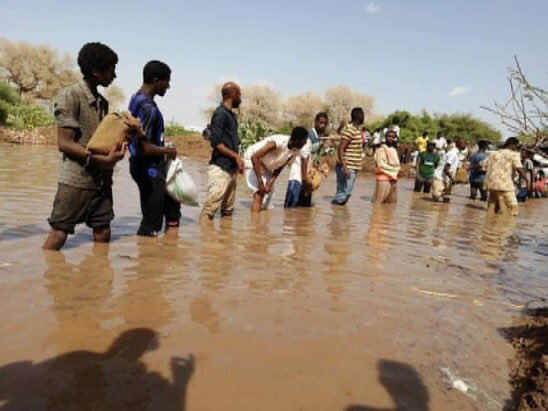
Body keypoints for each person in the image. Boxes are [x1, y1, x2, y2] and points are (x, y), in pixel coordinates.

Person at [43, 42, 125, 250]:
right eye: (111, 70)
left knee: (103, 232)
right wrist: (101, 160)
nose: (114, 76)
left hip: (101, 181)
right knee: (59, 234)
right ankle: (52, 279)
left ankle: (96, 280)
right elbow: (65, 143)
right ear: (96, 72)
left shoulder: (102, 103)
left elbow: (100, 141)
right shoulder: (70, 96)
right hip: (75, 181)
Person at [128, 61, 180, 237]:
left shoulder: (136, 99)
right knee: (151, 222)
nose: (169, 86)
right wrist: (168, 151)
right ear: (157, 81)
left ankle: (158, 254)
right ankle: (148, 258)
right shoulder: (148, 108)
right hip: (148, 168)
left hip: (141, 166)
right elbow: (144, 148)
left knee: (169, 207)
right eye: (167, 81)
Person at [200, 82, 244, 222]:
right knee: (209, 211)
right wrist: (236, 156)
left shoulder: (231, 115)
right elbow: (216, 143)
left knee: (228, 211)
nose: (241, 100)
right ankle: (207, 240)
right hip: (220, 168)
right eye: (239, 96)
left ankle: (224, 240)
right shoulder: (220, 114)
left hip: (230, 169)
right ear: (233, 95)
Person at [245, 127, 309, 212]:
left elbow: (279, 168)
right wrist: (260, 182)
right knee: (259, 194)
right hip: (253, 159)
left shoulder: (295, 151)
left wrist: (269, 184)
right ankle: (254, 224)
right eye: (304, 141)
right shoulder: (278, 142)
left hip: (267, 165)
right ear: (297, 140)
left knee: (268, 199)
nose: (305, 143)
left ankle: (260, 222)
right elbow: (255, 157)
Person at [284, 112, 328, 208]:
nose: (322, 125)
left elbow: (313, 154)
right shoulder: (310, 135)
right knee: (294, 202)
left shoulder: (317, 136)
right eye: (320, 123)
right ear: (315, 122)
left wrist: (316, 165)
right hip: (300, 170)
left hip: (308, 170)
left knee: (305, 201)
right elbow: (304, 156)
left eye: (325, 124)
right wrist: (304, 178)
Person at [485, 137, 528, 216]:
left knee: (492, 207)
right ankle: (507, 224)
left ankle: (490, 225)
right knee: (513, 207)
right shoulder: (514, 154)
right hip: (505, 184)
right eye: (516, 146)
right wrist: (527, 179)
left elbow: (484, 165)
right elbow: (519, 167)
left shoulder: (493, 153)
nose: (517, 148)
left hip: (491, 183)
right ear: (512, 145)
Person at [332, 108, 365, 205]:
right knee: (343, 194)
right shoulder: (350, 130)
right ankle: (337, 215)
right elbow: (341, 148)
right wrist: (345, 167)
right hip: (347, 166)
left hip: (352, 166)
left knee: (346, 193)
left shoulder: (356, 130)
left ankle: (338, 216)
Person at [431, 137, 466, 202]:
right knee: (436, 197)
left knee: (447, 199)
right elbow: (446, 169)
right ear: (457, 144)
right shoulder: (453, 153)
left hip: (447, 179)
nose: (465, 145)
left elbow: (454, 168)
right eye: (463, 143)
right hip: (439, 177)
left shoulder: (458, 153)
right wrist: (453, 179)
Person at [372, 130, 400, 204]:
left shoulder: (393, 150)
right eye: (389, 136)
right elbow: (380, 164)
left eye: (393, 137)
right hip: (383, 176)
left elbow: (396, 163)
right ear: (385, 137)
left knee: (392, 202)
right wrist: (396, 169)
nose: (391, 138)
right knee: (378, 201)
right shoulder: (381, 149)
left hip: (393, 176)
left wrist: (397, 170)